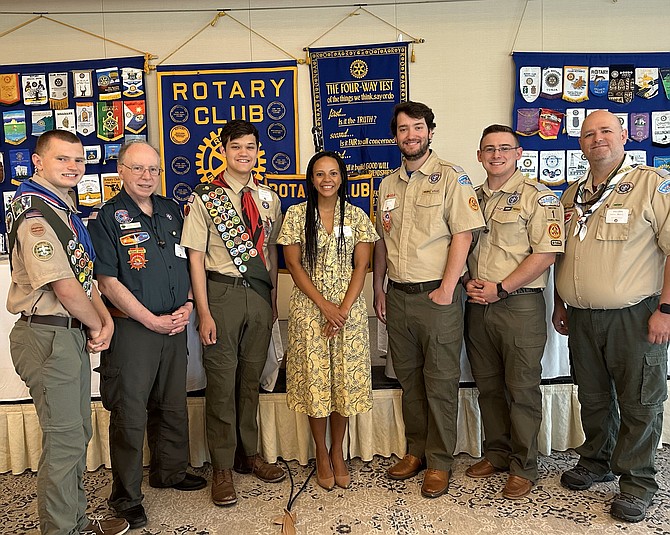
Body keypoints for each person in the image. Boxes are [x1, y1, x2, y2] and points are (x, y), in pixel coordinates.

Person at [6, 129, 128, 535]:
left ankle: (75, 521)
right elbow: (62, 285)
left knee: (76, 433)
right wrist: (100, 323)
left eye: (78, 160)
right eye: (63, 159)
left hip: (68, 332)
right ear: (38, 162)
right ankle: (61, 530)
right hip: (48, 336)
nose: (74, 167)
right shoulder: (36, 214)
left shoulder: (62, 210)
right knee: (63, 442)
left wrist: (102, 320)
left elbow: (82, 277)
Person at [552, 110, 670, 523]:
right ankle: (596, 460)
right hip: (582, 317)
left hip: (636, 316)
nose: (596, 138)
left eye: (605, 131)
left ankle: (637, 483)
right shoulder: (571, 195)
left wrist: (666, 310)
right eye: (588, 134)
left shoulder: (651, 186)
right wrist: (560, 302)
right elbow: (561, 255)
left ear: (623, 135)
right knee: (594, 396)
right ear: (580, 143)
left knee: (640, 401)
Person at [87, 141, 206, 529]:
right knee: (130, 413)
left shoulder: (172, 210)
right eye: (138, 168)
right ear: (120, 170)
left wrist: (188, 305)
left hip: (173, 325)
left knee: (172, 403)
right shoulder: (106, 218)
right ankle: (125, 497)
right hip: (132, 328)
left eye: (153, 169)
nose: (146, 176)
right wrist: (150, 320)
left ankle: (169, 471)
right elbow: (106, 280)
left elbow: (189, 262)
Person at [373, 101, 485, 498]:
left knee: (439, 382)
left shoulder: (453, 177)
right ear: (395, 136)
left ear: (430, 131)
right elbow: (382, 242)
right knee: (410, 381)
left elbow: (464, 235)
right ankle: (415, 451)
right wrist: (378, 288)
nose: (411, 135)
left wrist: (447, 288)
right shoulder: (386, 185)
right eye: (403, 129)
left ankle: (439, 461)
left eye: (417, 127)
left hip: (437, 295)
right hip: (399, 297)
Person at [181, 120, 286, 507]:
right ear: (223, 151)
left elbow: (270, 253)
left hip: (258, 297)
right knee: (222, 384)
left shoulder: (269, 199)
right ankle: (222, 467)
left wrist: (272, 298)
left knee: (250, 380)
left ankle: (249, 455)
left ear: (258, 152)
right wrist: (203, 311)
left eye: (250, 147)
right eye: (236, 146)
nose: (244, 153)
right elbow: (194, 256)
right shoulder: (204, 197)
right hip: (220, 294)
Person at [463, 124, 564, 499]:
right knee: (488, 387)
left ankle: (524, 466)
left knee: (521, 389)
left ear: (519, 153)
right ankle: (498, 454)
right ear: (479, 156)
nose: (496, 155)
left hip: (518, 304)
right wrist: (468, 282)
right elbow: (462, 248)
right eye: (488, 149)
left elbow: (547, 253)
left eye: (505, 148)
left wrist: (502, 287)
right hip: (478, 305)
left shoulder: (539, 198)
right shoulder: (470, 198)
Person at [277, 151, 378, 490]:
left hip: (348, 312)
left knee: (344, 386)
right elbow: (293, 265)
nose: (327, 180)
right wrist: (325, 307)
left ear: (342, 177)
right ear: (311, 179)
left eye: (333, 173)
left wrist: (343, 310)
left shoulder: (358, 215)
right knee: (316, 384)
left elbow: (361, 265)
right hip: (310, 311)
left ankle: (338, 453)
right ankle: (320, 452)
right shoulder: (295, 215)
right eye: (320, 174)